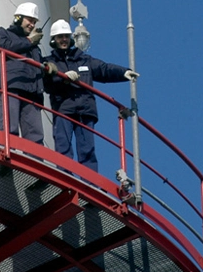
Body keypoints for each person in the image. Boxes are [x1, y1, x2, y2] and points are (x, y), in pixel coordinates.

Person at [43, 19, 139, 172]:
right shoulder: (49, 62)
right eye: (60, 36)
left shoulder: (84, 59)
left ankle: (89, 182)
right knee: (63, 146)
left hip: (85, 110)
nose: (64, 40)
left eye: (66, 36)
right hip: (63, 109)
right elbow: (46, 83)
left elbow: (104, 69)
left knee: (87, 150)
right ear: (53, 39)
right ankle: (64, 176)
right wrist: (63, 78)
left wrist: (123, 72)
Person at [0, 2, 56, 144]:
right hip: (12, 87)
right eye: (29, 20)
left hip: (33, 92)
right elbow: (2, 47)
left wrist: (46, 66)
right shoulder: (3, 33)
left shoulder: (34, 49)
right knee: (9, 127)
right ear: (18, 18)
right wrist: (29, 41)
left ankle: (32, 158)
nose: (32, 25)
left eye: (34, 22)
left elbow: (37, 65)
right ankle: (5, 156)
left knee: (35, 137)